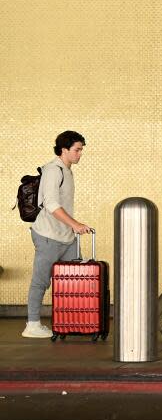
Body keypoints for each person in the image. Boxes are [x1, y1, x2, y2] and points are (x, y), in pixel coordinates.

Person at [24, 131, 92, 338]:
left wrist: (72, 228)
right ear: (64, 150)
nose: (80, 154)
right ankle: (32, 325)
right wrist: (76, 224)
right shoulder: (54, 170)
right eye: (77, 150)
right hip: (48, 235)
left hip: (66, 237)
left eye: (81, 150)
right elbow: (51, 204)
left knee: (76, 280)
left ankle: (73, 321)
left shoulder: (67, 170)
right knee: (41, 281)